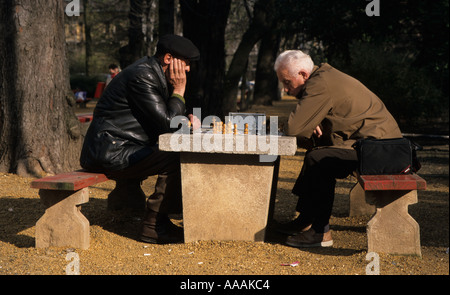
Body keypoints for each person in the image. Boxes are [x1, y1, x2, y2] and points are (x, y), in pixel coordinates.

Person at [274, 50, 402, 248]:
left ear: (303, 75)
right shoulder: (323, 77)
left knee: (319, 158)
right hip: (374, 145)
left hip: (381, 151)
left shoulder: (320, 84)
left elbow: (293, 129)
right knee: (317, 154)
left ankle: (320, 232)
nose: (285, 89)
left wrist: (300, 124)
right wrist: (310, 123)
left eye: (287, 82)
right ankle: (306, 219)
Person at [80, 34, 201, 244]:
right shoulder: (142, 76)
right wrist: (180, 91)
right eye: (186, 63)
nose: (188, 70)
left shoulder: (155, 75)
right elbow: (168, 123)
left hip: (123, 147)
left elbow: (166, 118)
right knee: (176, 156)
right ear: (169, 58)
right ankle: (154, 226)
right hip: (110, 151)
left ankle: (163, 218)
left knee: (180, 151)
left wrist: (186, 117)